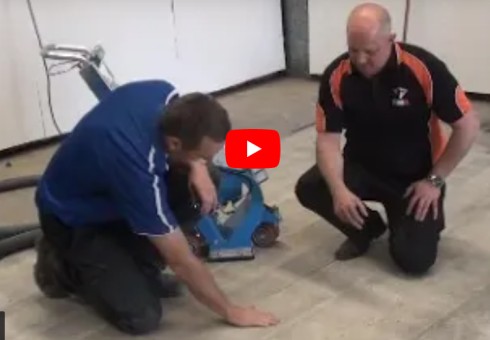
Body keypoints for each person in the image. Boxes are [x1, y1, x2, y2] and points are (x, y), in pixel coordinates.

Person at [33, 79, 279, 335]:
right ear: (173, 143)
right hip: (73, 220)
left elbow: (182, 151)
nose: (205, 161)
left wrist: (198, 165)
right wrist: (230, 310)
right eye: (202, 155)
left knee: (207, 179)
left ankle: (138, 268)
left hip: (109, 196)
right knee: (142, 318)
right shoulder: (136, 170)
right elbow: (181, 261)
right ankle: (61, 266)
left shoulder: (163, 93)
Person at [295, 3, 480, 275]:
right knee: (311, 187)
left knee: (415, 262)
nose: (359, 59)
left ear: (391, 40)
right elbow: (327, 140)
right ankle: (366, 229)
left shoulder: (423, 68)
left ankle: (416, 222)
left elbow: (468, 126)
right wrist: (339, 190)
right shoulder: (337, 75)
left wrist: (434, 181)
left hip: (413, 179)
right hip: (361, 167)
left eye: (370, 51)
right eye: (353, 49)